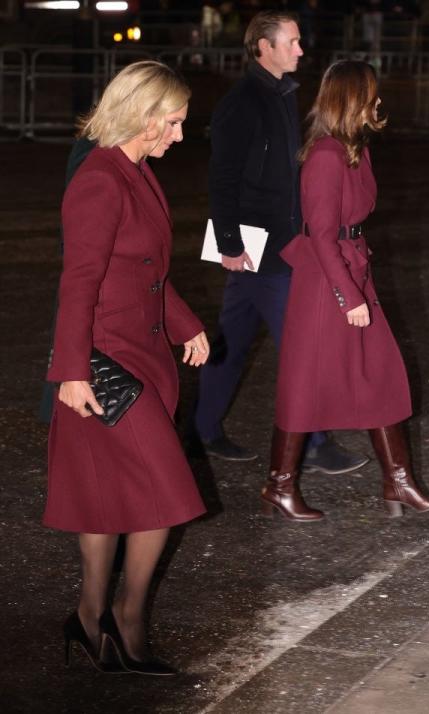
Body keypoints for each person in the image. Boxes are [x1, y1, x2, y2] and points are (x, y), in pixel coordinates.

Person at [46, 60, 209, 676]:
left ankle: (88, 620)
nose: (179, 134)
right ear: (143, 117)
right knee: (165, 494)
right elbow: (79, 282)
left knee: (107, 493)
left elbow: (145, 269)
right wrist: (72, 372)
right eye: (173, 122)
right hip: (104, 363)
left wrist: (185, 320)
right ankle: (125, 617)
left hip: (143, 355)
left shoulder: (136, 171)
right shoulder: (99, 180)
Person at [267, 60, 429, 520]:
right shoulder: (326, 156)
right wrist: (348, 297)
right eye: (371, 94)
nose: (378, 102)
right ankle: (280, 486)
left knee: (382, 372)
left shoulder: (354, 150)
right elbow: (322, 235)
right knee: (304, 384)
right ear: (352, 99)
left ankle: (399, 482)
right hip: (326, 283)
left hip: (353, 269)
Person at [195, 10, 368, 478]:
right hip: (257, 249)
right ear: (262, 48)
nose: (300, 50)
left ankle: (201, 427)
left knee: (232, 338)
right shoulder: (243, 102)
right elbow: (223, 177)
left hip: (279, 245)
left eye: (298, 41)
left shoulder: (282, 96)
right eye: (291, 42)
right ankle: (313, 442)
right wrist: (230, 243)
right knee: (302, 344)